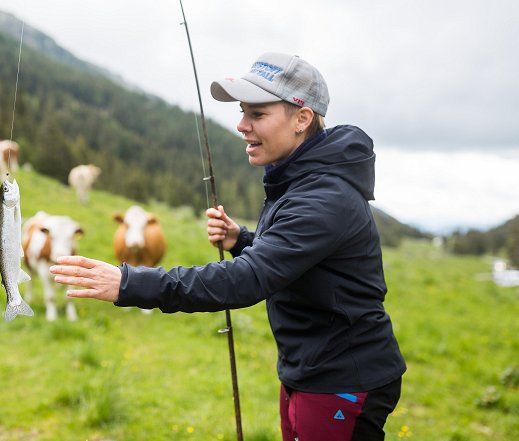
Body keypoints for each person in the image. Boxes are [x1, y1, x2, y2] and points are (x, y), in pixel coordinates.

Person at [49, 52, 406, 441]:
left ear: (302, 119)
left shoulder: (323, 197)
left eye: (257, 114)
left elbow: (248, 280)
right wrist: (244, 241)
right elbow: (294, 260)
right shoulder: (300, 180)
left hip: (341, 378)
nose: (241, 125)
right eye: (242, 112)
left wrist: (128, 283)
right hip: (309, 368)